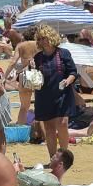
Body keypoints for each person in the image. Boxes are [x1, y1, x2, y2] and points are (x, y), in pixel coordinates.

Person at [32, 26, 77, 166]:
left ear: (51, 37)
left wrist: (67, 81)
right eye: (39, 39)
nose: (42, 41)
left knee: (62, 124)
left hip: (62, 93)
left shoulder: (63, 53)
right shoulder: (37, 58)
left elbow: (73, 72)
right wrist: (31, 68)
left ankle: (63, 155)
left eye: (44, 38)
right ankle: (53, 158)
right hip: (43, 95)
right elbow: (34, 79)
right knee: (49, 127)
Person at [7, 35, 39, 126]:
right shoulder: (40, 44)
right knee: (40, 104)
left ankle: (21, 128)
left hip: (26, 73)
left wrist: (5, 76)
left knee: (24, 107)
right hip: (38, 74)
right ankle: (39, 128)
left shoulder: (21, 46)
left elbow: (13, 62)